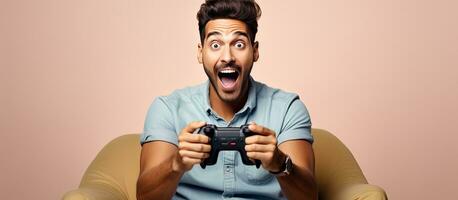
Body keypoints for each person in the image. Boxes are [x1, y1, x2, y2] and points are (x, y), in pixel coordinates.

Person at [136, 0, 317, 199]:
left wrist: (279, 163)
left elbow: (309, 197)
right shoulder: (167, 109)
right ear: (200, 52)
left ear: (255, 51)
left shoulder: (288, 109)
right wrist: (175, 164)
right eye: (215, 44)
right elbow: (144, 196)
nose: (227, 56)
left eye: (239, 44)